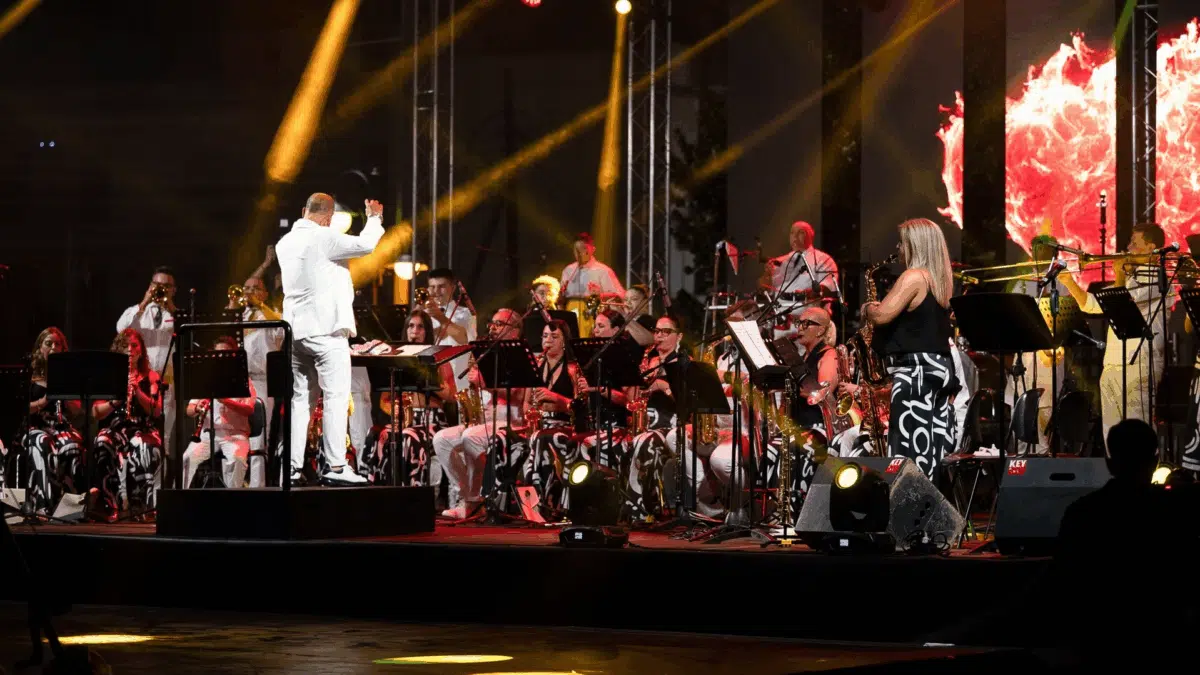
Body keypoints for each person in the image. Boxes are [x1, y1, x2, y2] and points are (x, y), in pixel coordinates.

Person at [276, 193, 384, 485]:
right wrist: (374, 218)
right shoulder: (324, 236)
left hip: (296, 332)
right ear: (329, 216)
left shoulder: (285, 243)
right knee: (336, 396)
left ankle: (292, 468)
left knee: (300, 400)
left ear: (304, 210)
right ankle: (336, 467)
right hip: (326, 330)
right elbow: (365, 245)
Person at [862, 218, 956, 480]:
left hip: (915, 373)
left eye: (902, 242)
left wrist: (868, 308)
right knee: (929, 450)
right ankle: (929, 501)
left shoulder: (914, 277)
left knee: (907, 453)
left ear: (915, 245)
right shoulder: (939, 281)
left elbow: (882, 315)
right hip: (938, 369)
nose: (898, 248)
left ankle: (909, 502)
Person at [1060, 222, 1173, 440]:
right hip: (1114, 361)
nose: (1128, 248)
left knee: (1137, 425)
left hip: (1140, 360)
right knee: (1111, 428)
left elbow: (1122, 302)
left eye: (1134, 243)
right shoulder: (1133, 277)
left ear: (1151, 247)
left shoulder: (1157, 277)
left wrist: (1119, 275)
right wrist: (1069, 282)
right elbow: (1091, 305)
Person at [431, 308, 526, 519]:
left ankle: (474, 499)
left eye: (499, 324)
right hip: (487, 419)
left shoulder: (521, 355)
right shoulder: (487, 353)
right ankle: (468, 496)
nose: (493, 328)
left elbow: (519, 394)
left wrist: (485, 383)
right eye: (492, 323)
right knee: (441, 439)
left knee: (470, 437)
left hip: (512, 420)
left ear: (515, 331)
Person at [91, 329, 164, 520]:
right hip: (116, 428)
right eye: (125, 346)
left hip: (142, 427)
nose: (130, 350)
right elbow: (96, 413)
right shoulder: (109, 375)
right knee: (102, 442)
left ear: (141, 350)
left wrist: (137, 391)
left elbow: (156, 411)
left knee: (144, 446)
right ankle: (110, 503)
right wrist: (116, 400)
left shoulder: (151, 376)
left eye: (134, 345)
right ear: (118, 349)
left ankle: (142, 505)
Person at [14, 327, 84, 514]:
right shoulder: (29, 374)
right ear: (40, 347)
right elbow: (20, 408)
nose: (53, 347)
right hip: (34, 427)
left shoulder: (67, 375)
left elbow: (78, 410)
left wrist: (65, 394)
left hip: (59, 425)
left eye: (57, 344)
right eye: (48, 343)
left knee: (73, 444)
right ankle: (43, 504)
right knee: (44, 442)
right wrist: (44, 401)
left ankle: (70, 507)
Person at [116, 266, 177, 474]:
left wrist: (171, 306)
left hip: (166, 382)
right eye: (157, 285)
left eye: (166, 286)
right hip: (141, 381)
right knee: (140, 432)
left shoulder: (175, 314)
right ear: (150, 286)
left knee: (165, 437)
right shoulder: (138, 311)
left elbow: (187, 331)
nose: (161, 289)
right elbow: (121, 329)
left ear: (174, 290)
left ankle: (162, 484)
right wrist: (144, 303)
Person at [181, 336, 257, 489]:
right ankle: (182, 498)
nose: (222, 357)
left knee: (237, 460)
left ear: (234, 356)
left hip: (236, 434)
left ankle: (232, 499)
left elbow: (249, 409)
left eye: (226, 353)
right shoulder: (206, 379)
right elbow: (189, 410)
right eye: (218, 354)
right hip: (208, 434)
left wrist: (225, 400)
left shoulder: (244, 380)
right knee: (187, 458)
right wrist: (197, 408)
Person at [420, 268, 476, 395]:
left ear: (453, 288)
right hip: (429, 382)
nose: (436, 292)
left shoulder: (465, 314)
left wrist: (440, 317)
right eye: (432, 287)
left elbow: (467, 341)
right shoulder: (423, 314)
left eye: (441, 287)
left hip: (458, 381)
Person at [559, 233, 625, 337]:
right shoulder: (568, 271)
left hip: (594, 317)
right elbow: (561, 300)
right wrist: (561, 295)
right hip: (571, 317)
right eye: (576, 250)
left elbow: (621, 295)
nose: (580, 253)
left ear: (592, 249)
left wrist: (600, 295)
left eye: (583, 249)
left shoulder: (603, 270)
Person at [763, 221, 839, 300]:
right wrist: (767, 276)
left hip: (809, 306)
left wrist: (805, 294)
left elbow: (829, 286)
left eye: (801, 232)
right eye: (792, 233)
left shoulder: (824, 259)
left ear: (811, 236)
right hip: (779, 306)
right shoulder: (780, 261)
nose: (795, 236)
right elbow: (766, 289)